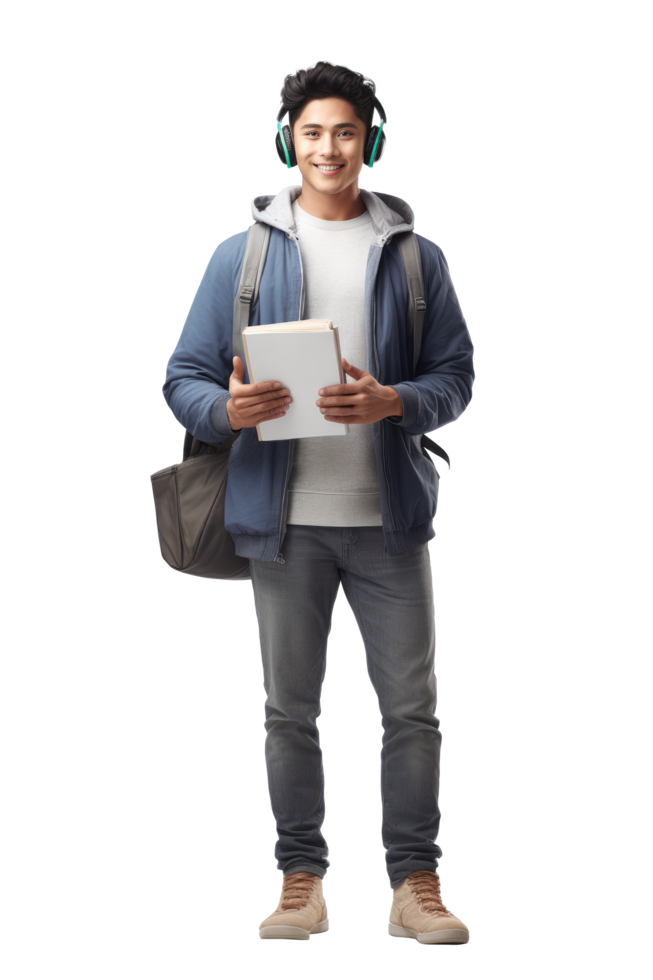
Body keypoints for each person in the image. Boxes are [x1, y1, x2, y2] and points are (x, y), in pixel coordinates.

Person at [161, 59, 475, 944]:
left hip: (390, 525)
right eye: (311, 132)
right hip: (283, 525)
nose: (328, 147)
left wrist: (395, 402)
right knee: (287, 709)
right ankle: (300, 879)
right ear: (285, 141)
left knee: (411, 708)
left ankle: (415, 883)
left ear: (370, 143)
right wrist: (226, 410)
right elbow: (181, 379)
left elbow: (456, 378)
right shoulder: (242, 254)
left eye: (344, 131)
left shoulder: (417, 256)